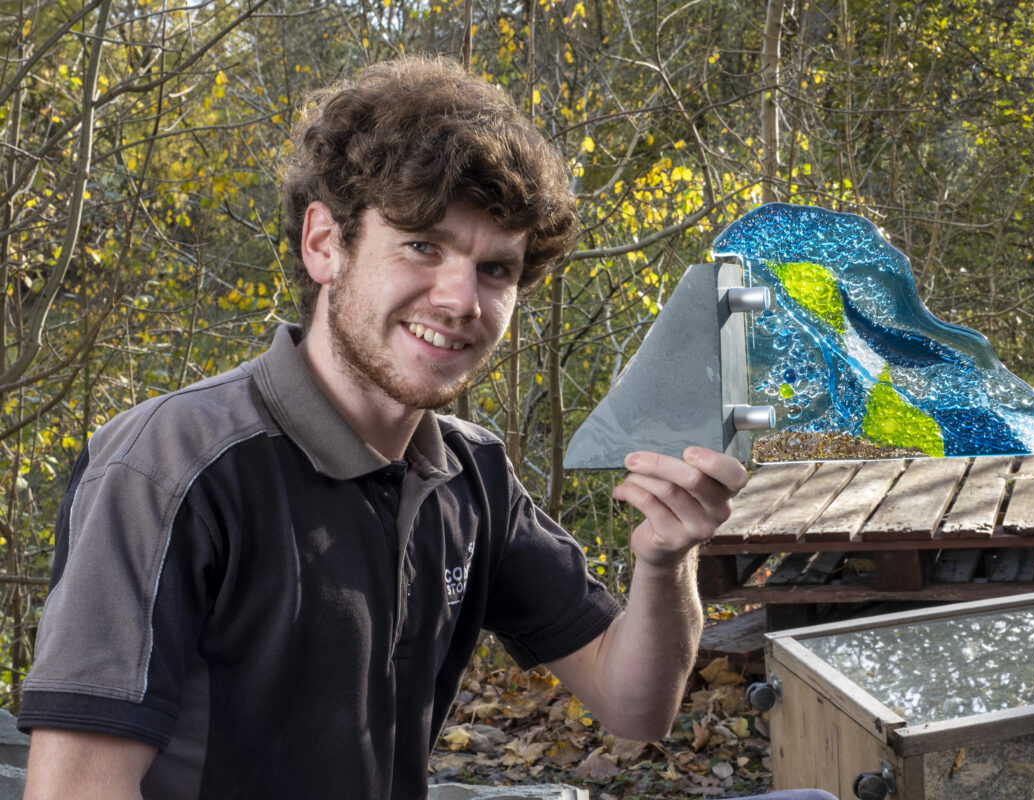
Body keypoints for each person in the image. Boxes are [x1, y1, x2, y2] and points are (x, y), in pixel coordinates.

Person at [18, 57, 837, 800]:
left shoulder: (469, 475)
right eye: (421, 245)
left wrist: (665, 558)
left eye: (496, 269)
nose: (461, 300)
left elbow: (634, 706)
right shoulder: (168, 468)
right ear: (323, 244)